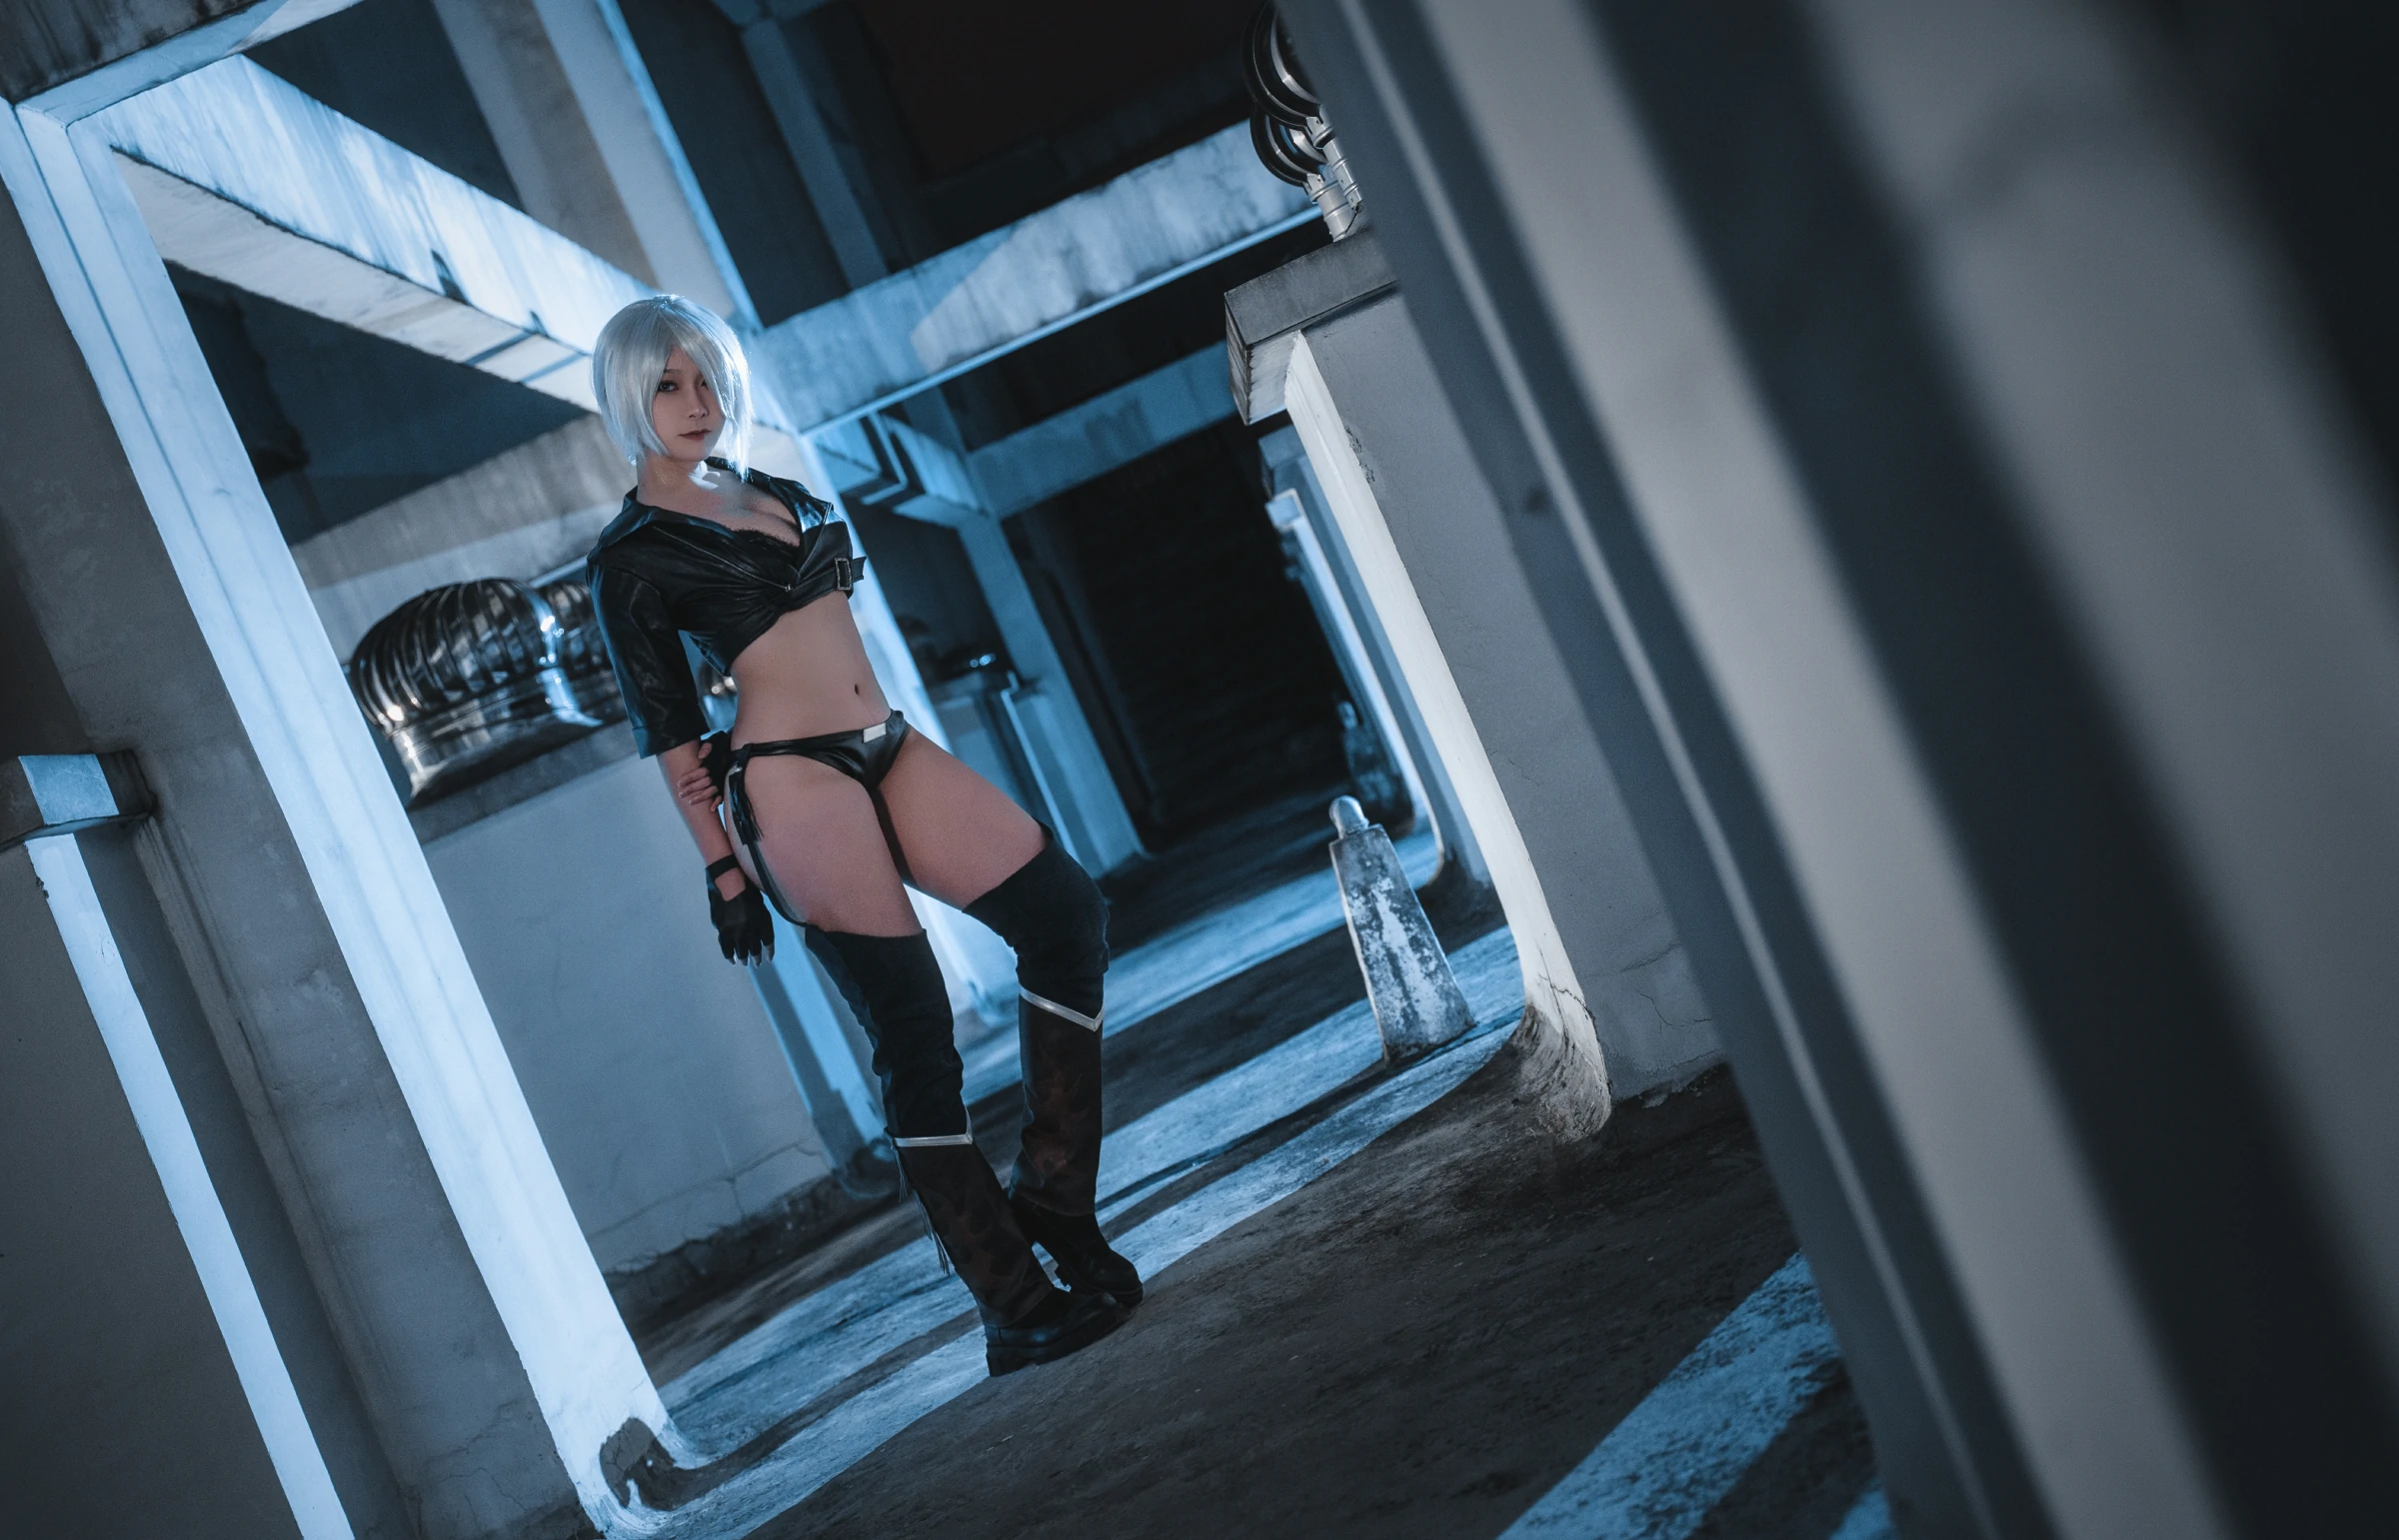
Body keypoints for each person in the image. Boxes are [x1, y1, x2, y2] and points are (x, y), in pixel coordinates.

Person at [582, 296, 1137, 1375]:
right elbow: (675, 741)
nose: (696, 403)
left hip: (886, 740)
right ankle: (1013, 1300)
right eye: (668, 386)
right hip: (788, 778)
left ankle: (1056, 1199)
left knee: (1065, 917)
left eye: (707, 379)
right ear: (628, 398)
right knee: (916, 1029)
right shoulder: (631, 558)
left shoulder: (772, 488)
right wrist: (723, 873)